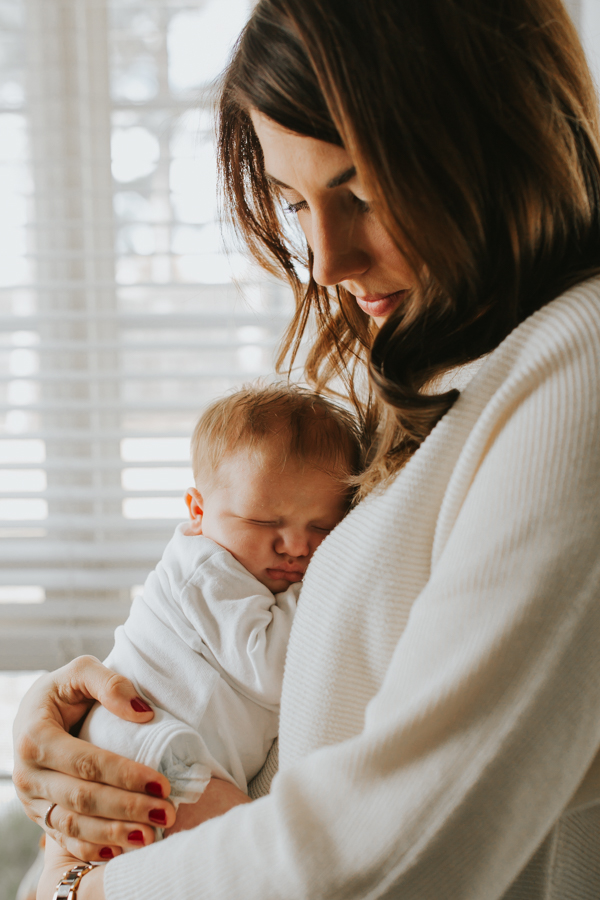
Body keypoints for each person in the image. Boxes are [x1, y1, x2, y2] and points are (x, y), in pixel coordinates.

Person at [13, 0, 600, 898]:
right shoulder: (431, 367)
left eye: (361, 191)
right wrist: (82, 737)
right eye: (294, 202)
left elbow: (397, 849)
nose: (324, 260)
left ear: (494, 135)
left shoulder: (576, 377)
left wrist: (81, 892)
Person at [79, 383, 359, 842]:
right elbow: (272, 672)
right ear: (198, 510)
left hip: (157, 751)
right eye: (264, 522)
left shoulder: (247, 569)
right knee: (253, 847)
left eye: (323, 527)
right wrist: (321, 581)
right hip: (141, 745)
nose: (295, 546)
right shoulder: (206, 570)